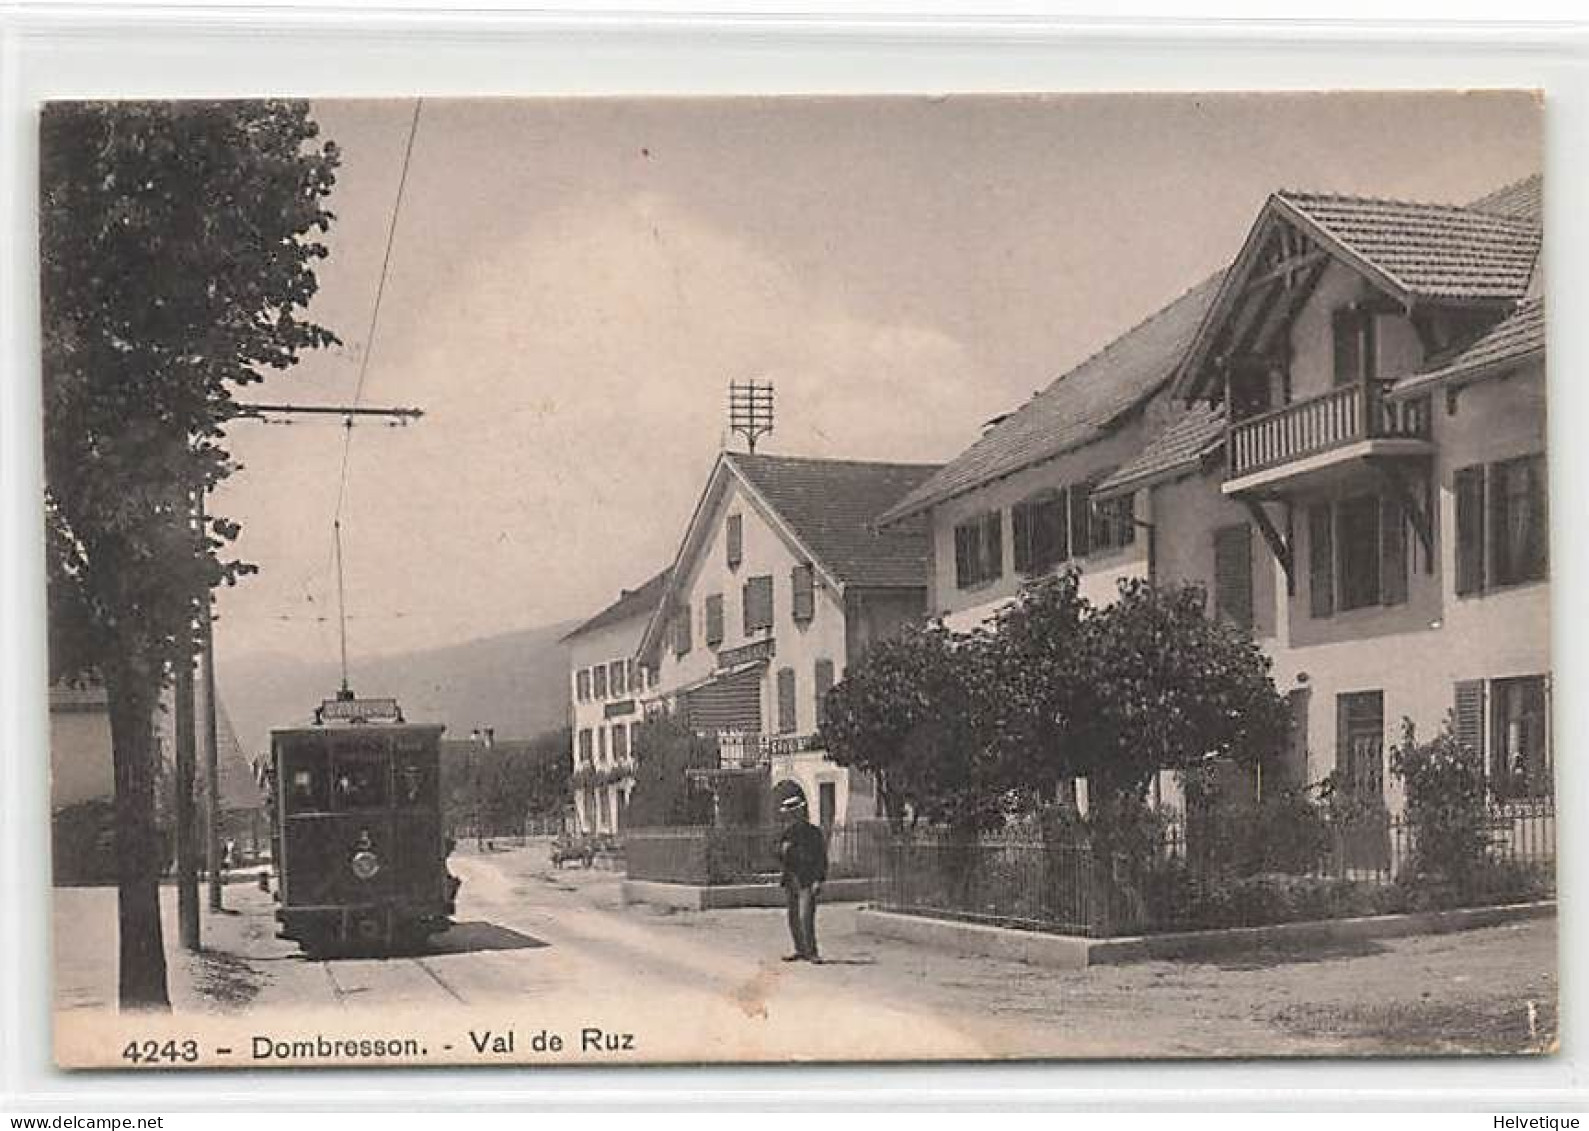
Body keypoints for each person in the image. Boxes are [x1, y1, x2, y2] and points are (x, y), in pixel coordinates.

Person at [776, 794, 827, 962]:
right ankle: (800, 949)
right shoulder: (788, 833)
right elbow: (779, 856)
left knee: (806, 916)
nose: (791, 817)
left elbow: (821, 858)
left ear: (800, 813)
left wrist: (819, 880)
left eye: (794, 813)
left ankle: (812, 951)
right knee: (793, 917)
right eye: (788, 814)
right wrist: (783, 851)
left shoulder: (813, 833)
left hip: (808, 878)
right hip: (792, 878)